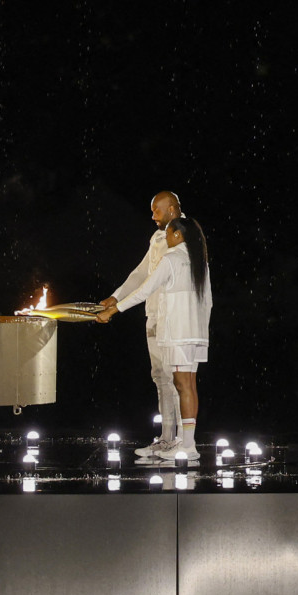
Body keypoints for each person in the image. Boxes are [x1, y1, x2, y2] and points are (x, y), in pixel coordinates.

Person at [97, 215, 212, 461]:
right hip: (195, 334)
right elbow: (208, 302)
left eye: (169, 234)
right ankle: (184, 443)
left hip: (178, 334)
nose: (165, 238)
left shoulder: (171, 259)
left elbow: (145, 290)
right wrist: (202, 331)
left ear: (178, 235)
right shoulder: (198, 261)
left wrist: (114, 309)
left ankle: (188, 447)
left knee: (182, 386)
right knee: (188, 386)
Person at [96, 191, 184, 458]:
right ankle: (167, 438)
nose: (152, 215)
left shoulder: (185, 234)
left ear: (171, 209)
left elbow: (159, 281)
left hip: (175, 318)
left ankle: (182, 440)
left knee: (178, 379)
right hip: (154, 315)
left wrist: (118, 308)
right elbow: (141, 273)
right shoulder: (157, 237)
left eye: (156, 210)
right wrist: (116, 296)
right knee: (160, 378)